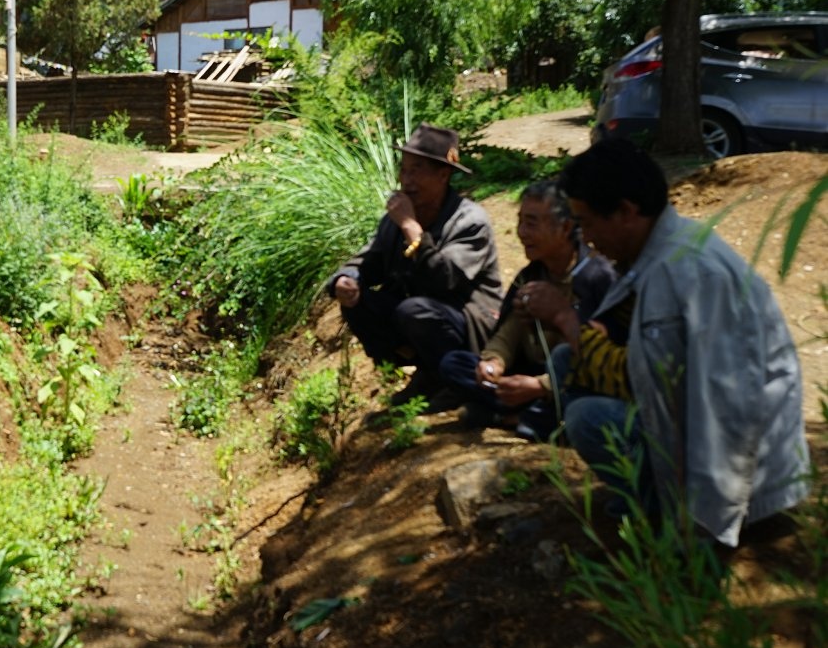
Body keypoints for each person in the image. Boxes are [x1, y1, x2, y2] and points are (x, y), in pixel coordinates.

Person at [532, 139, 808, 545]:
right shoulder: (661, 254)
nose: (585, 239)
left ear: (626, 211)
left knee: (587, 418)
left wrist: (699, 529)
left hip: (748, 476)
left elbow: (724, 408)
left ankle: (665, 514)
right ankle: (654, 501)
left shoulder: (687, 273)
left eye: (587, 222)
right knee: (568, 367)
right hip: (712, 443)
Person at [326, 123, 503, 409]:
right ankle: (428, 373)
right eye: (404, 169)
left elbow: (444, 279)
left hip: (470, 325)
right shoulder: (396, 220)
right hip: (420, 317)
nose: (406, 180)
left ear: (443, 175)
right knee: (359, 302)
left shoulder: (470, 221)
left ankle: (453, 382)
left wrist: (411, 227)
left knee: (415, 310)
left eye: (417, 170)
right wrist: (346, 279)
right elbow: (369, 261)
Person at [438, 180, 616, 441]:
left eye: (531, 224)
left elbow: (600, 359)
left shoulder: (596, 277)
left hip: (570, 381)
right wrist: (494, 362)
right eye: (520, 221)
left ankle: (515, 418)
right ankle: (524, 415)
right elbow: (510, 330)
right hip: (529, 376)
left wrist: (539, 386)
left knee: (581, 402)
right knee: (455, 364)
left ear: (565, 227)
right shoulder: (531, 275)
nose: (521, 232)